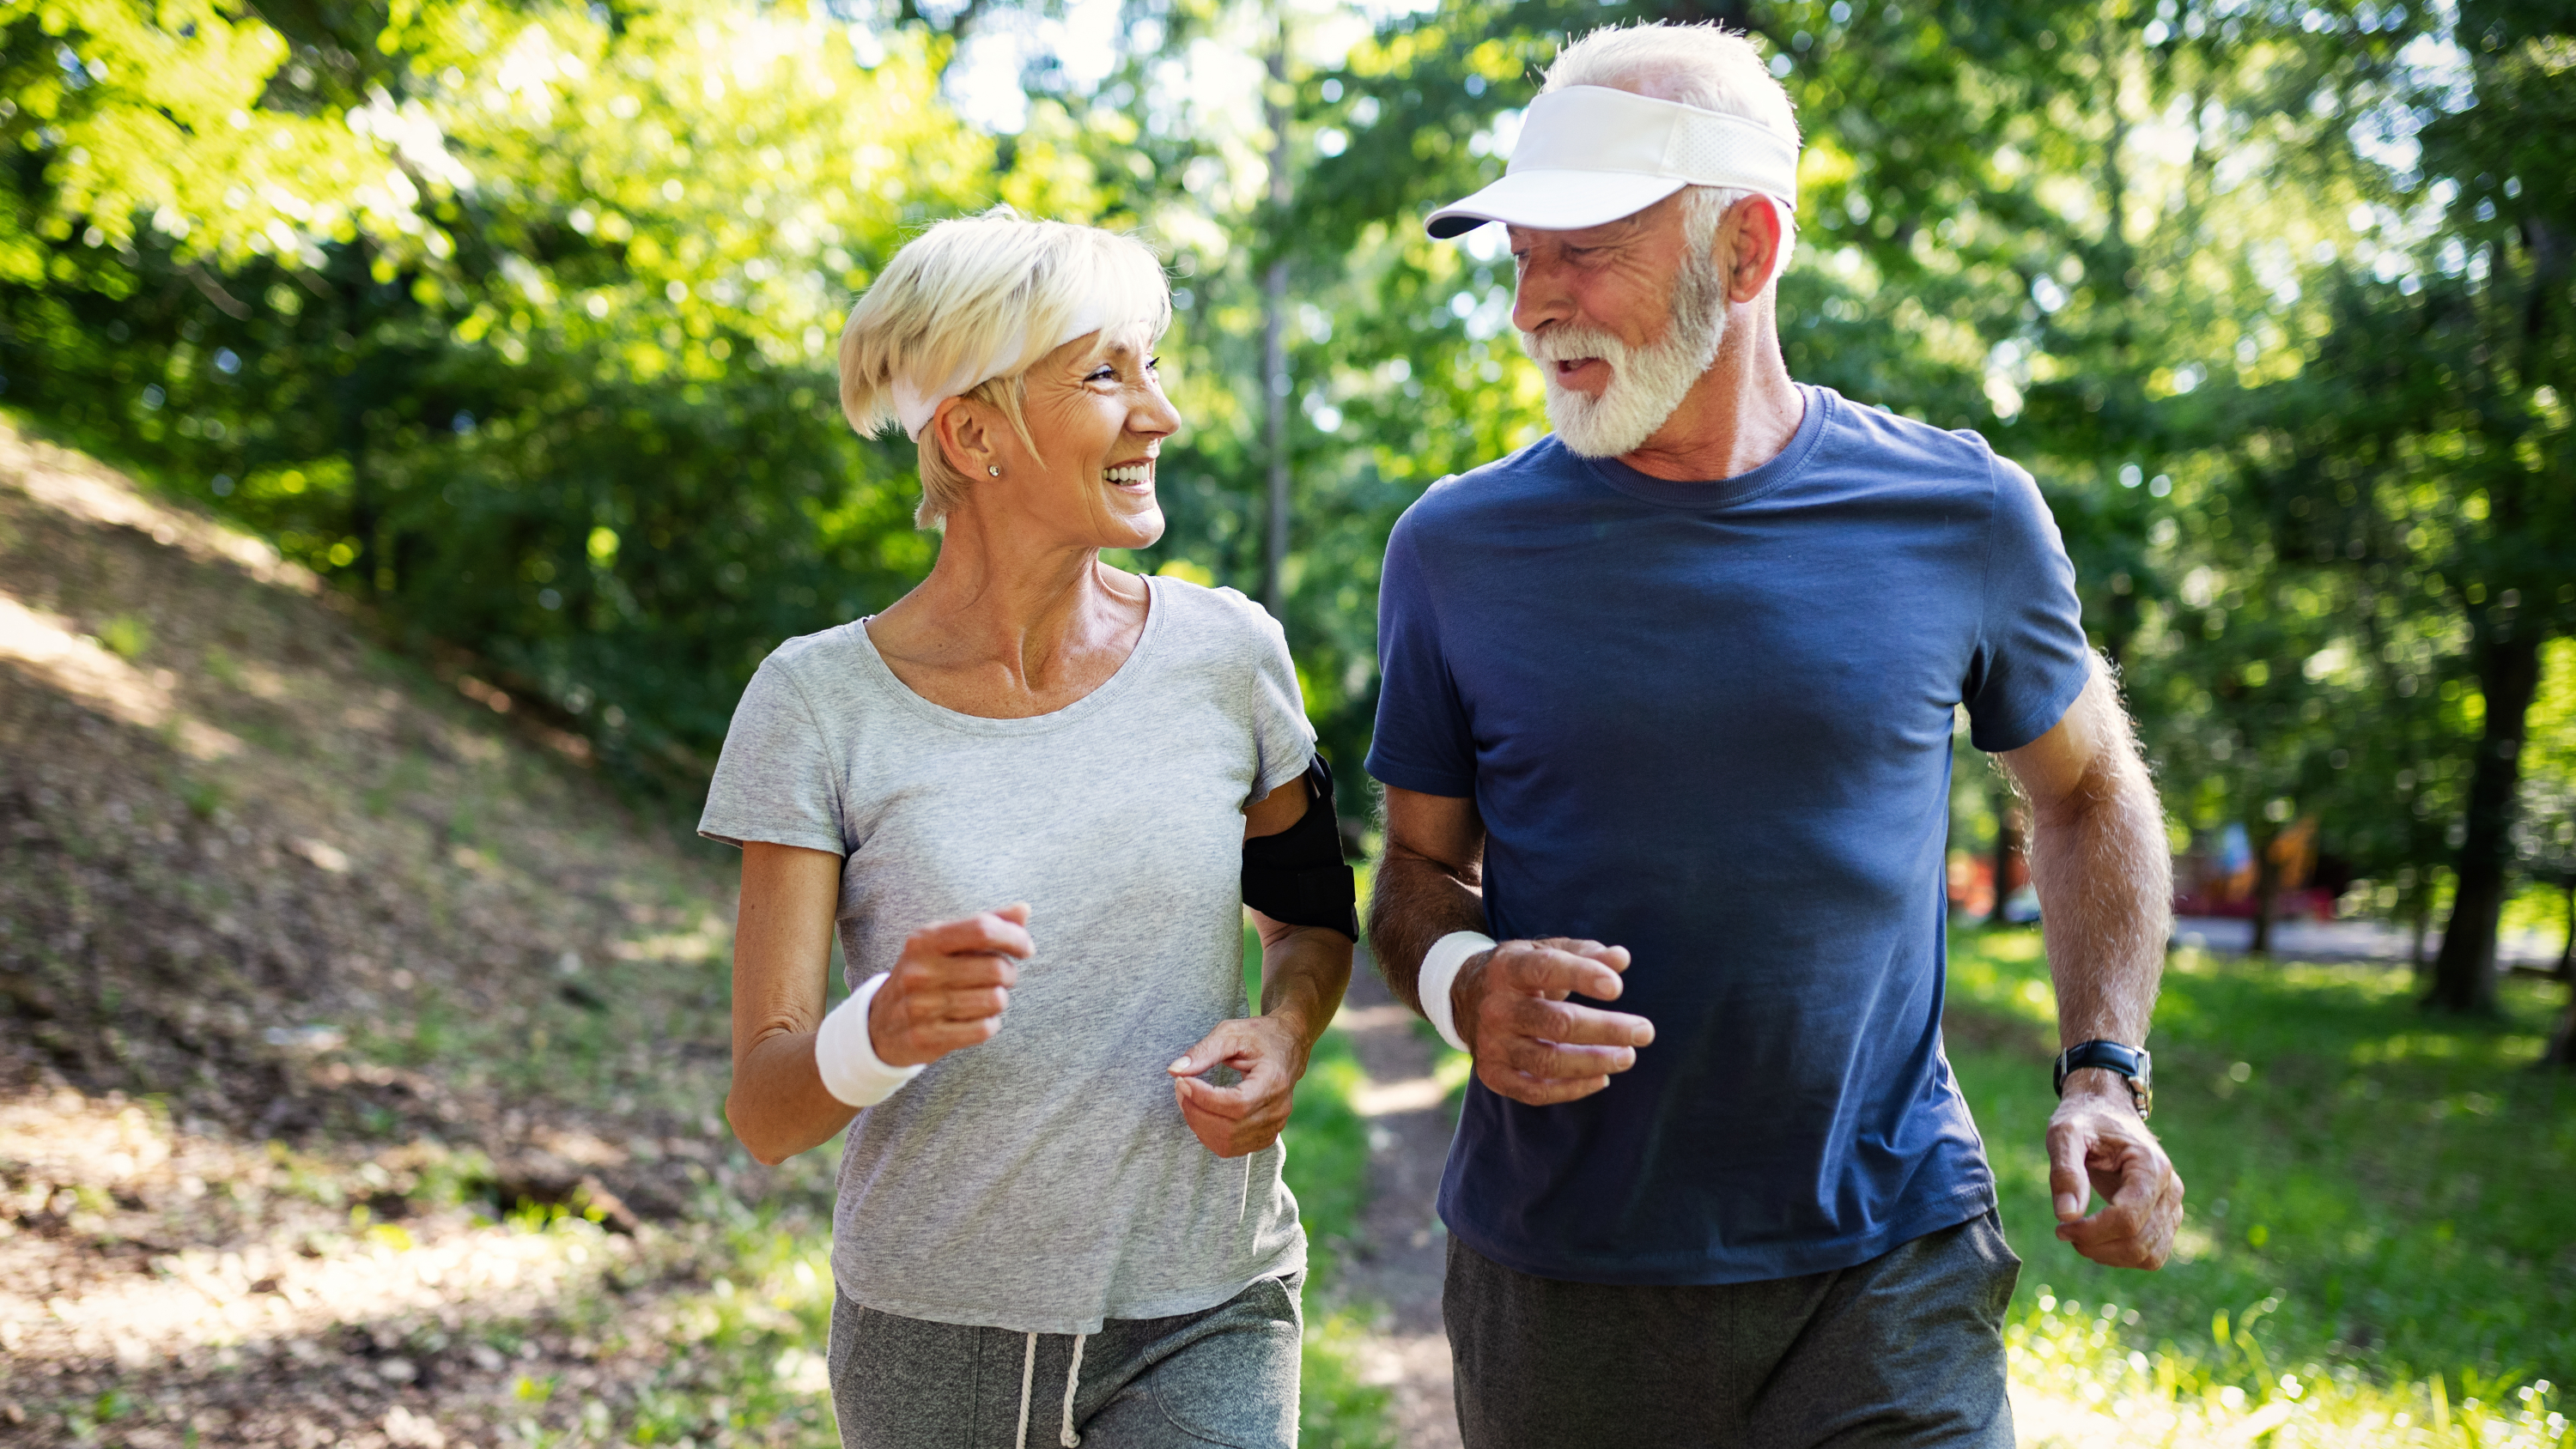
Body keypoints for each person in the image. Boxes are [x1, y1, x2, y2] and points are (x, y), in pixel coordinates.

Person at [1363, 24, 2185, 1449]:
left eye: (1582, 252)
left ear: (1744, 250)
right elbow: (1415, 880)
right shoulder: (1454, 549)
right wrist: (1460, 985)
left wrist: (2104, 1072)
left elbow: (2091, 790)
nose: (1530, 307)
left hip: (1889, 1259)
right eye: (1518, 258)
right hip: (1565, 1277)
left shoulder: (1962, 514)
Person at [699, 210, 1358, 1449]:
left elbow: (1315, 915)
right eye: (1107, 375)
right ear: (974, 434)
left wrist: (1284, 1032)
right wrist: (878, 1030)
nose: (1159, 413)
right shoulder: (815, 703)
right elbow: (766, 1108)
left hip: (1207, 1305)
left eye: (1151, 366)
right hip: (928, 1333)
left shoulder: (1233, 656)